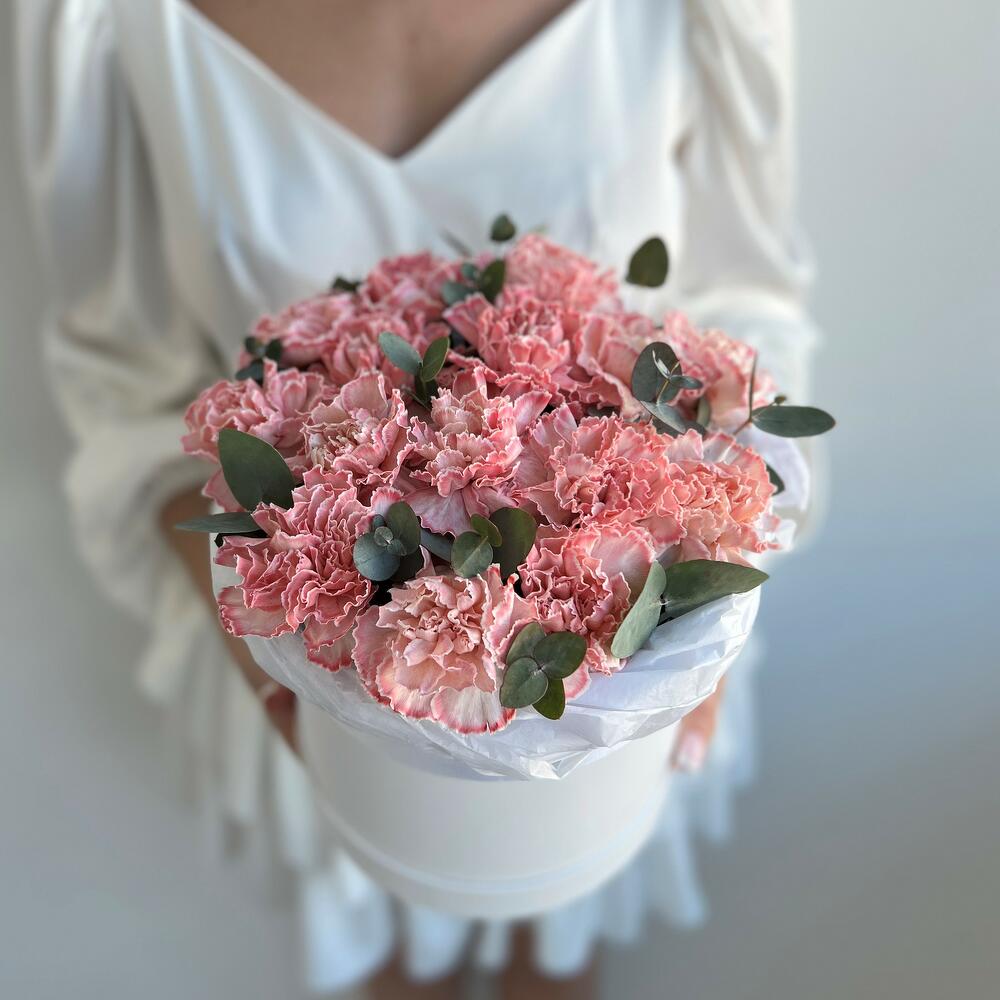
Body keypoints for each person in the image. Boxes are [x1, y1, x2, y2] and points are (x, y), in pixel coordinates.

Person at [15, 0, 817, 995]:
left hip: (628, 688)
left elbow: (746, 309)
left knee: (561, 958)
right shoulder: (84, 21)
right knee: (386, 964)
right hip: (304, 676)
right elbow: (127, 388)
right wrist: (278, 663)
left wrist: (711, 584)